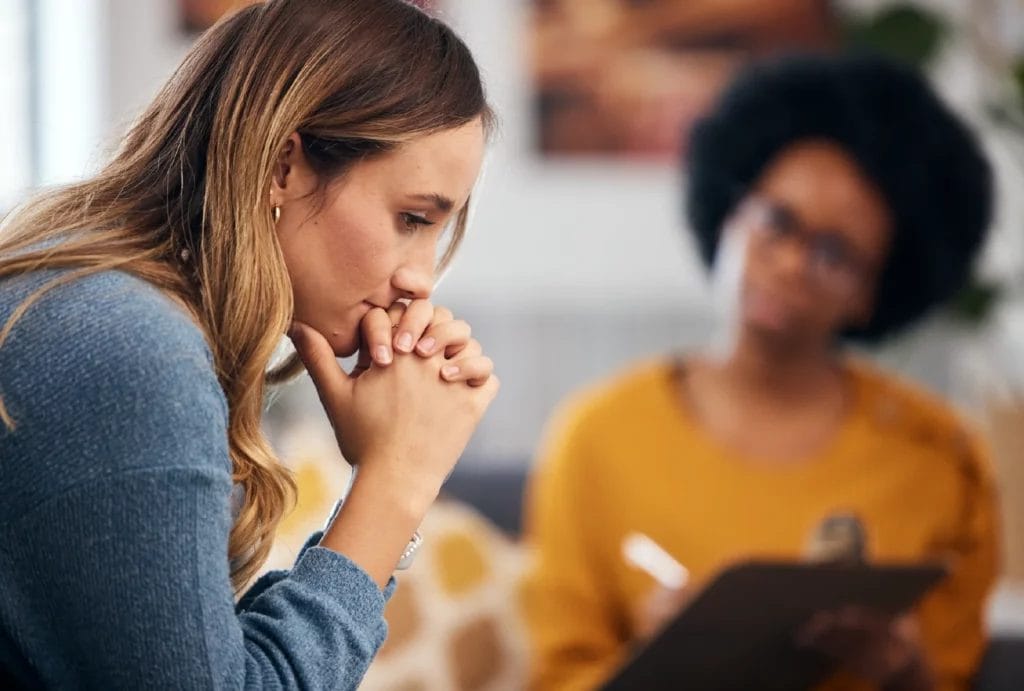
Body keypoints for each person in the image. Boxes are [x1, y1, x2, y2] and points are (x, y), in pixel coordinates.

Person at [0, 0, 499, 688]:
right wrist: (396, 482)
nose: (419, 279)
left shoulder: (98, 304)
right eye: (411, 218)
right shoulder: (129, 350)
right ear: (282, 166)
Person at [523, 53, 999, 691]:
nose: (790, 264)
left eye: (834, 252)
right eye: (777, 222)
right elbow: (557, 673)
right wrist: (660, 660)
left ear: (873, 291)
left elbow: (956, 673)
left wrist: (904, 671)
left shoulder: (942, 458)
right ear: (729, 209)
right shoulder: (595, 435)